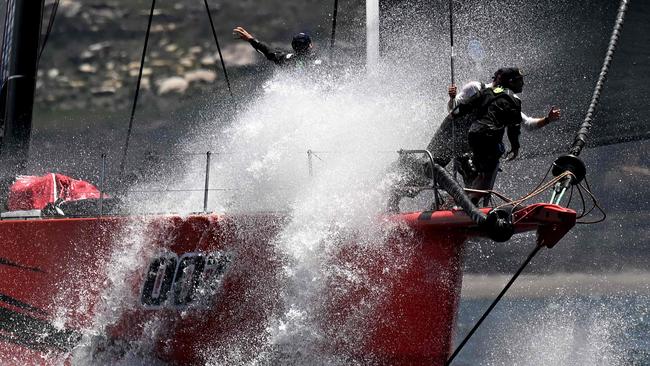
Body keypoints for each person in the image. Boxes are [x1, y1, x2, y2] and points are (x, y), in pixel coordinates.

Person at [233, 26, 322, 68]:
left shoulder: (286, 60)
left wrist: (251, 39)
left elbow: (268, 51)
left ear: (293, 46)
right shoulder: (319, 64)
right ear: (310, 45)